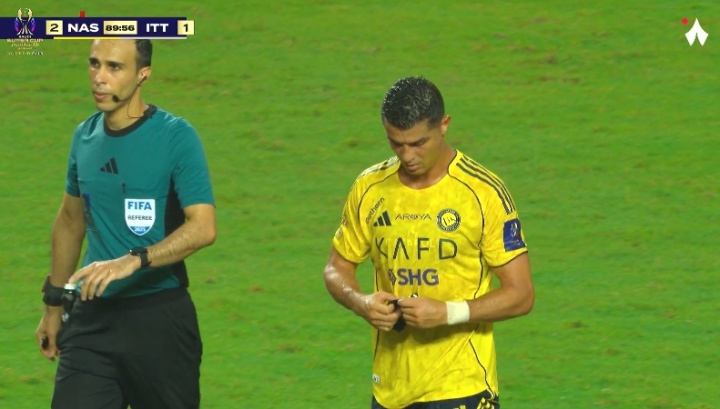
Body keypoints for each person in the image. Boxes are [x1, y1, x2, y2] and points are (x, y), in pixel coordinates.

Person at [323, 76, 535, 409]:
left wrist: (448, 313)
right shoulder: (369, 189)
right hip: (390, 391)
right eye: (396, 143)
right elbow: (336, 268)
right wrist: (359, 301)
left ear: (444, 125)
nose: (408, 155)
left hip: (462, 387)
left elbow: (521, 294)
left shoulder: (482, 193)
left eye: (419, 143)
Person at [34, 39, 216, 409]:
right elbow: (70, 221)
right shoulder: (85, 137)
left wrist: (135, 259)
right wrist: (53, 306)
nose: (99, 77)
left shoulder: (176, 137)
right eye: (94, 63)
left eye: (114, 67)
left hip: (158, 322)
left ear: (142, 74)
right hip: (91, 318)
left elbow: (203, 227)